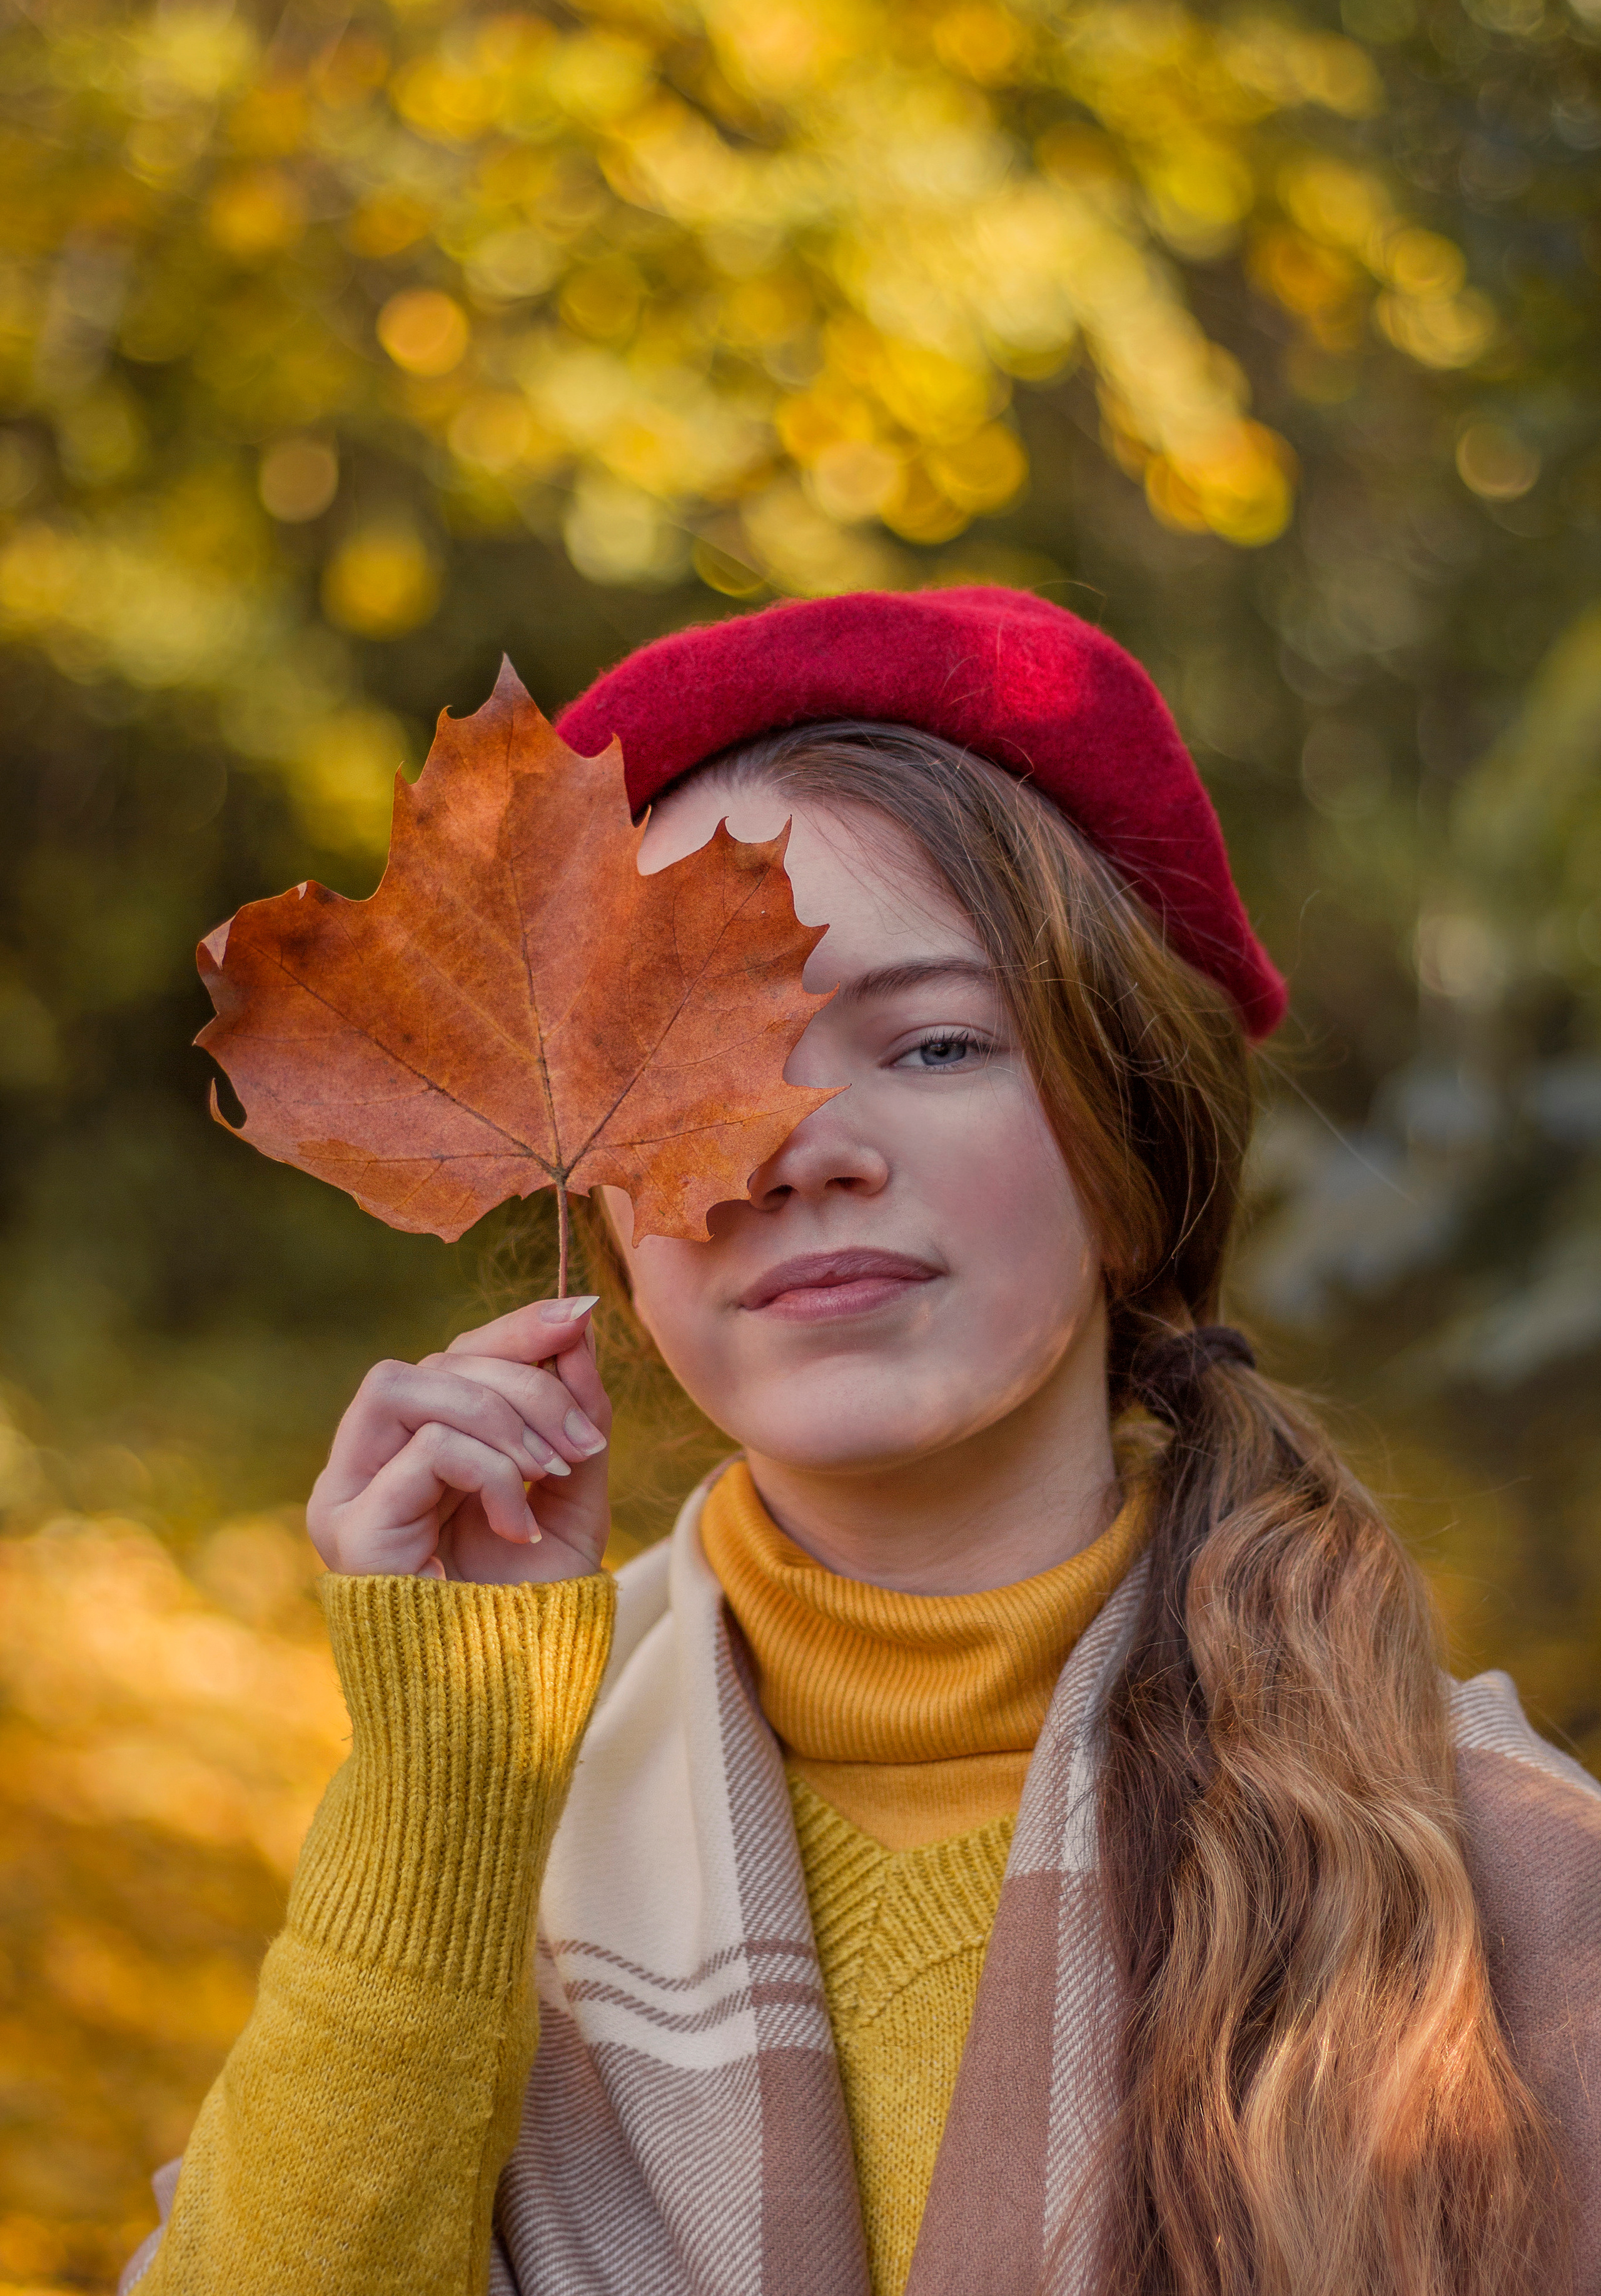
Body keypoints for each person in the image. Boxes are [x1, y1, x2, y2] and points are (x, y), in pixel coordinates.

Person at [121, 587, 1600, 2296]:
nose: (803, 1150)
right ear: (602, 1207)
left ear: (1129, 1160)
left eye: (938, 1043)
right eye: (695, 1084)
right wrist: (446, 1775)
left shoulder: (1511, 1888)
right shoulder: (486, 1858)